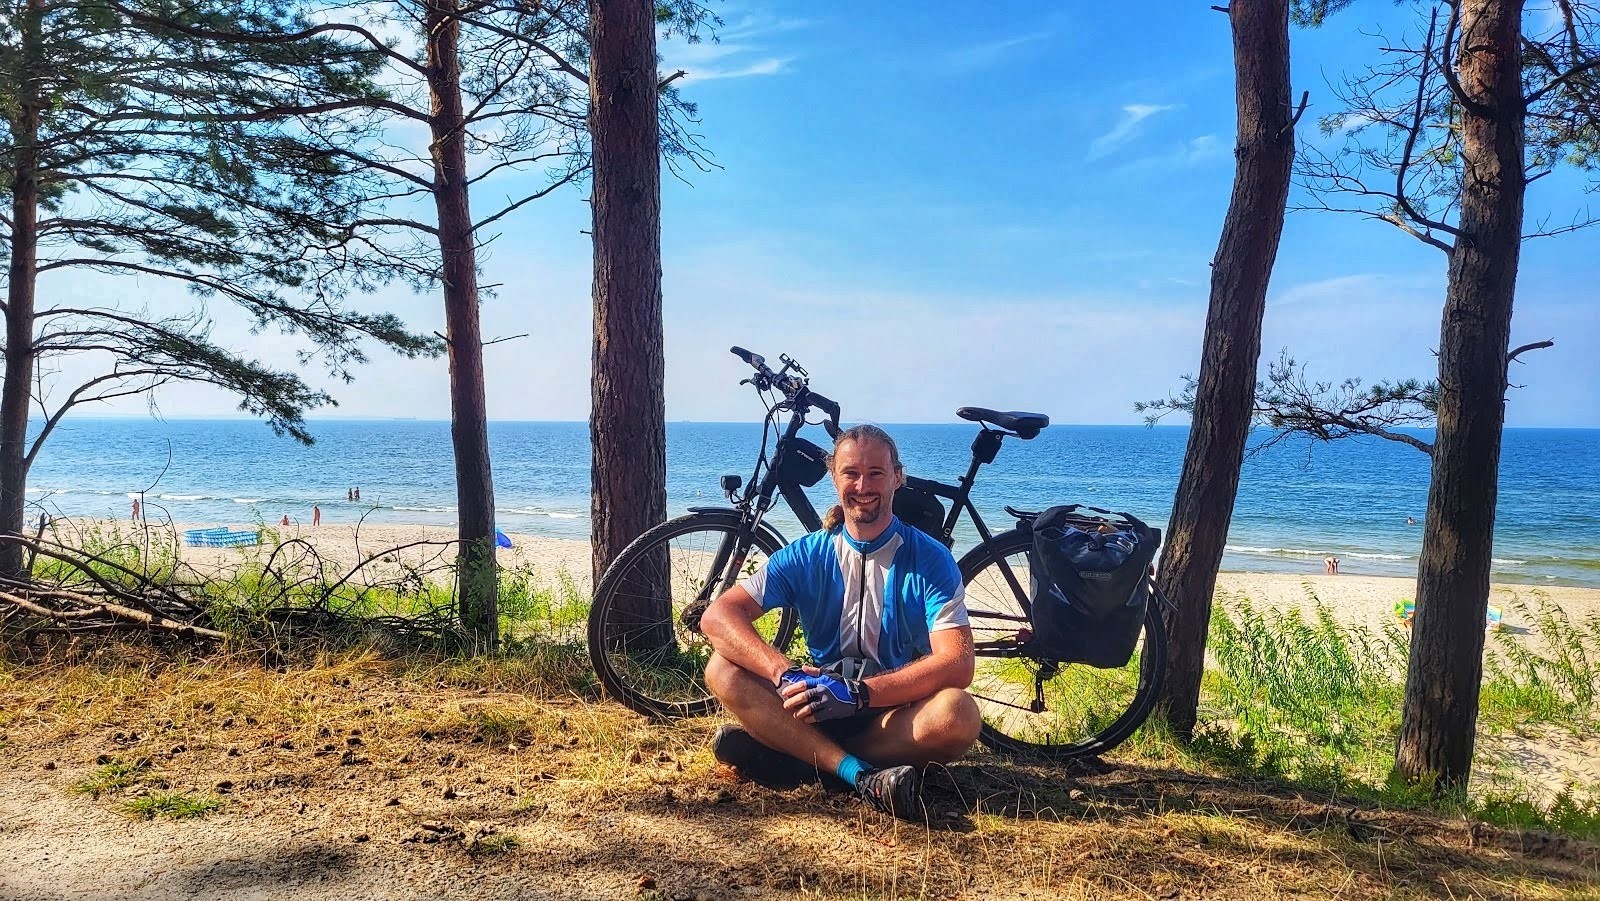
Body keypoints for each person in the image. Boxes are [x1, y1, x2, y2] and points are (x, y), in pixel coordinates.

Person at [700, 424, 980, 819]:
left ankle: (802, 759)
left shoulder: (930, 559)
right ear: (834, 478)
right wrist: (782, 673)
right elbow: (718, 616)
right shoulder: (808, 553)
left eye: (876, 474)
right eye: (851, 473)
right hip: (812, 707)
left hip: (888, 716)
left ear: (897, 478)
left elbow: (957, 662)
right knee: (722, 668)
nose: (863, 485)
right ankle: (855, 773)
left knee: (958, 713)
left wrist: (857, 693)